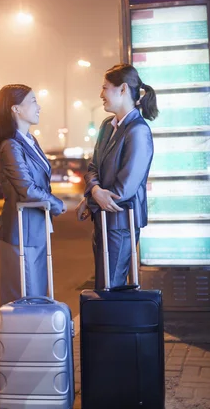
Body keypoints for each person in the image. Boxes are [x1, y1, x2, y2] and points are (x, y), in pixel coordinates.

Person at [77, 64, 159, 289]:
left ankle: (111, 325)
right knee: (104, 284)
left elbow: (124, 189)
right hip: (103, 220)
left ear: (122, 89)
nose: (101, 94)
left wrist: (92, 198)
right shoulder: (107, 126)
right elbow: (93, 167)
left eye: (105, 88)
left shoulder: (138, 131)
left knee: (111, 287)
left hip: (122, 223)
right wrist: (94, 191)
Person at [0, 84, 66, 305]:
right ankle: (24, 341)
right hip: (22, 232)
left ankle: (37, 339)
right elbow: (27, 189)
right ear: (16, 109)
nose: (38, 106)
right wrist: (58, 204)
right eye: (32, 101)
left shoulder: (29, 141)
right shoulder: (10, 146)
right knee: (26, 298)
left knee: (36, 295)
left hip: (35, 227)